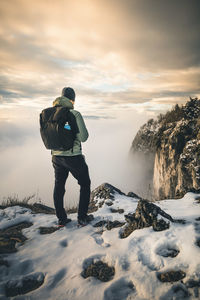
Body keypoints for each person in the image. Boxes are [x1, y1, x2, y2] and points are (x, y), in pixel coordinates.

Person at [51, 87, 92, 227]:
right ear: (72, 99)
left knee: (59, 185)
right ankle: (82, 218)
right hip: (73, 156)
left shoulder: (49, 113)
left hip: (56, 156)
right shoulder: (74, 114)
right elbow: (84, 137)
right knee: (85, 184)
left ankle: (61, 219)